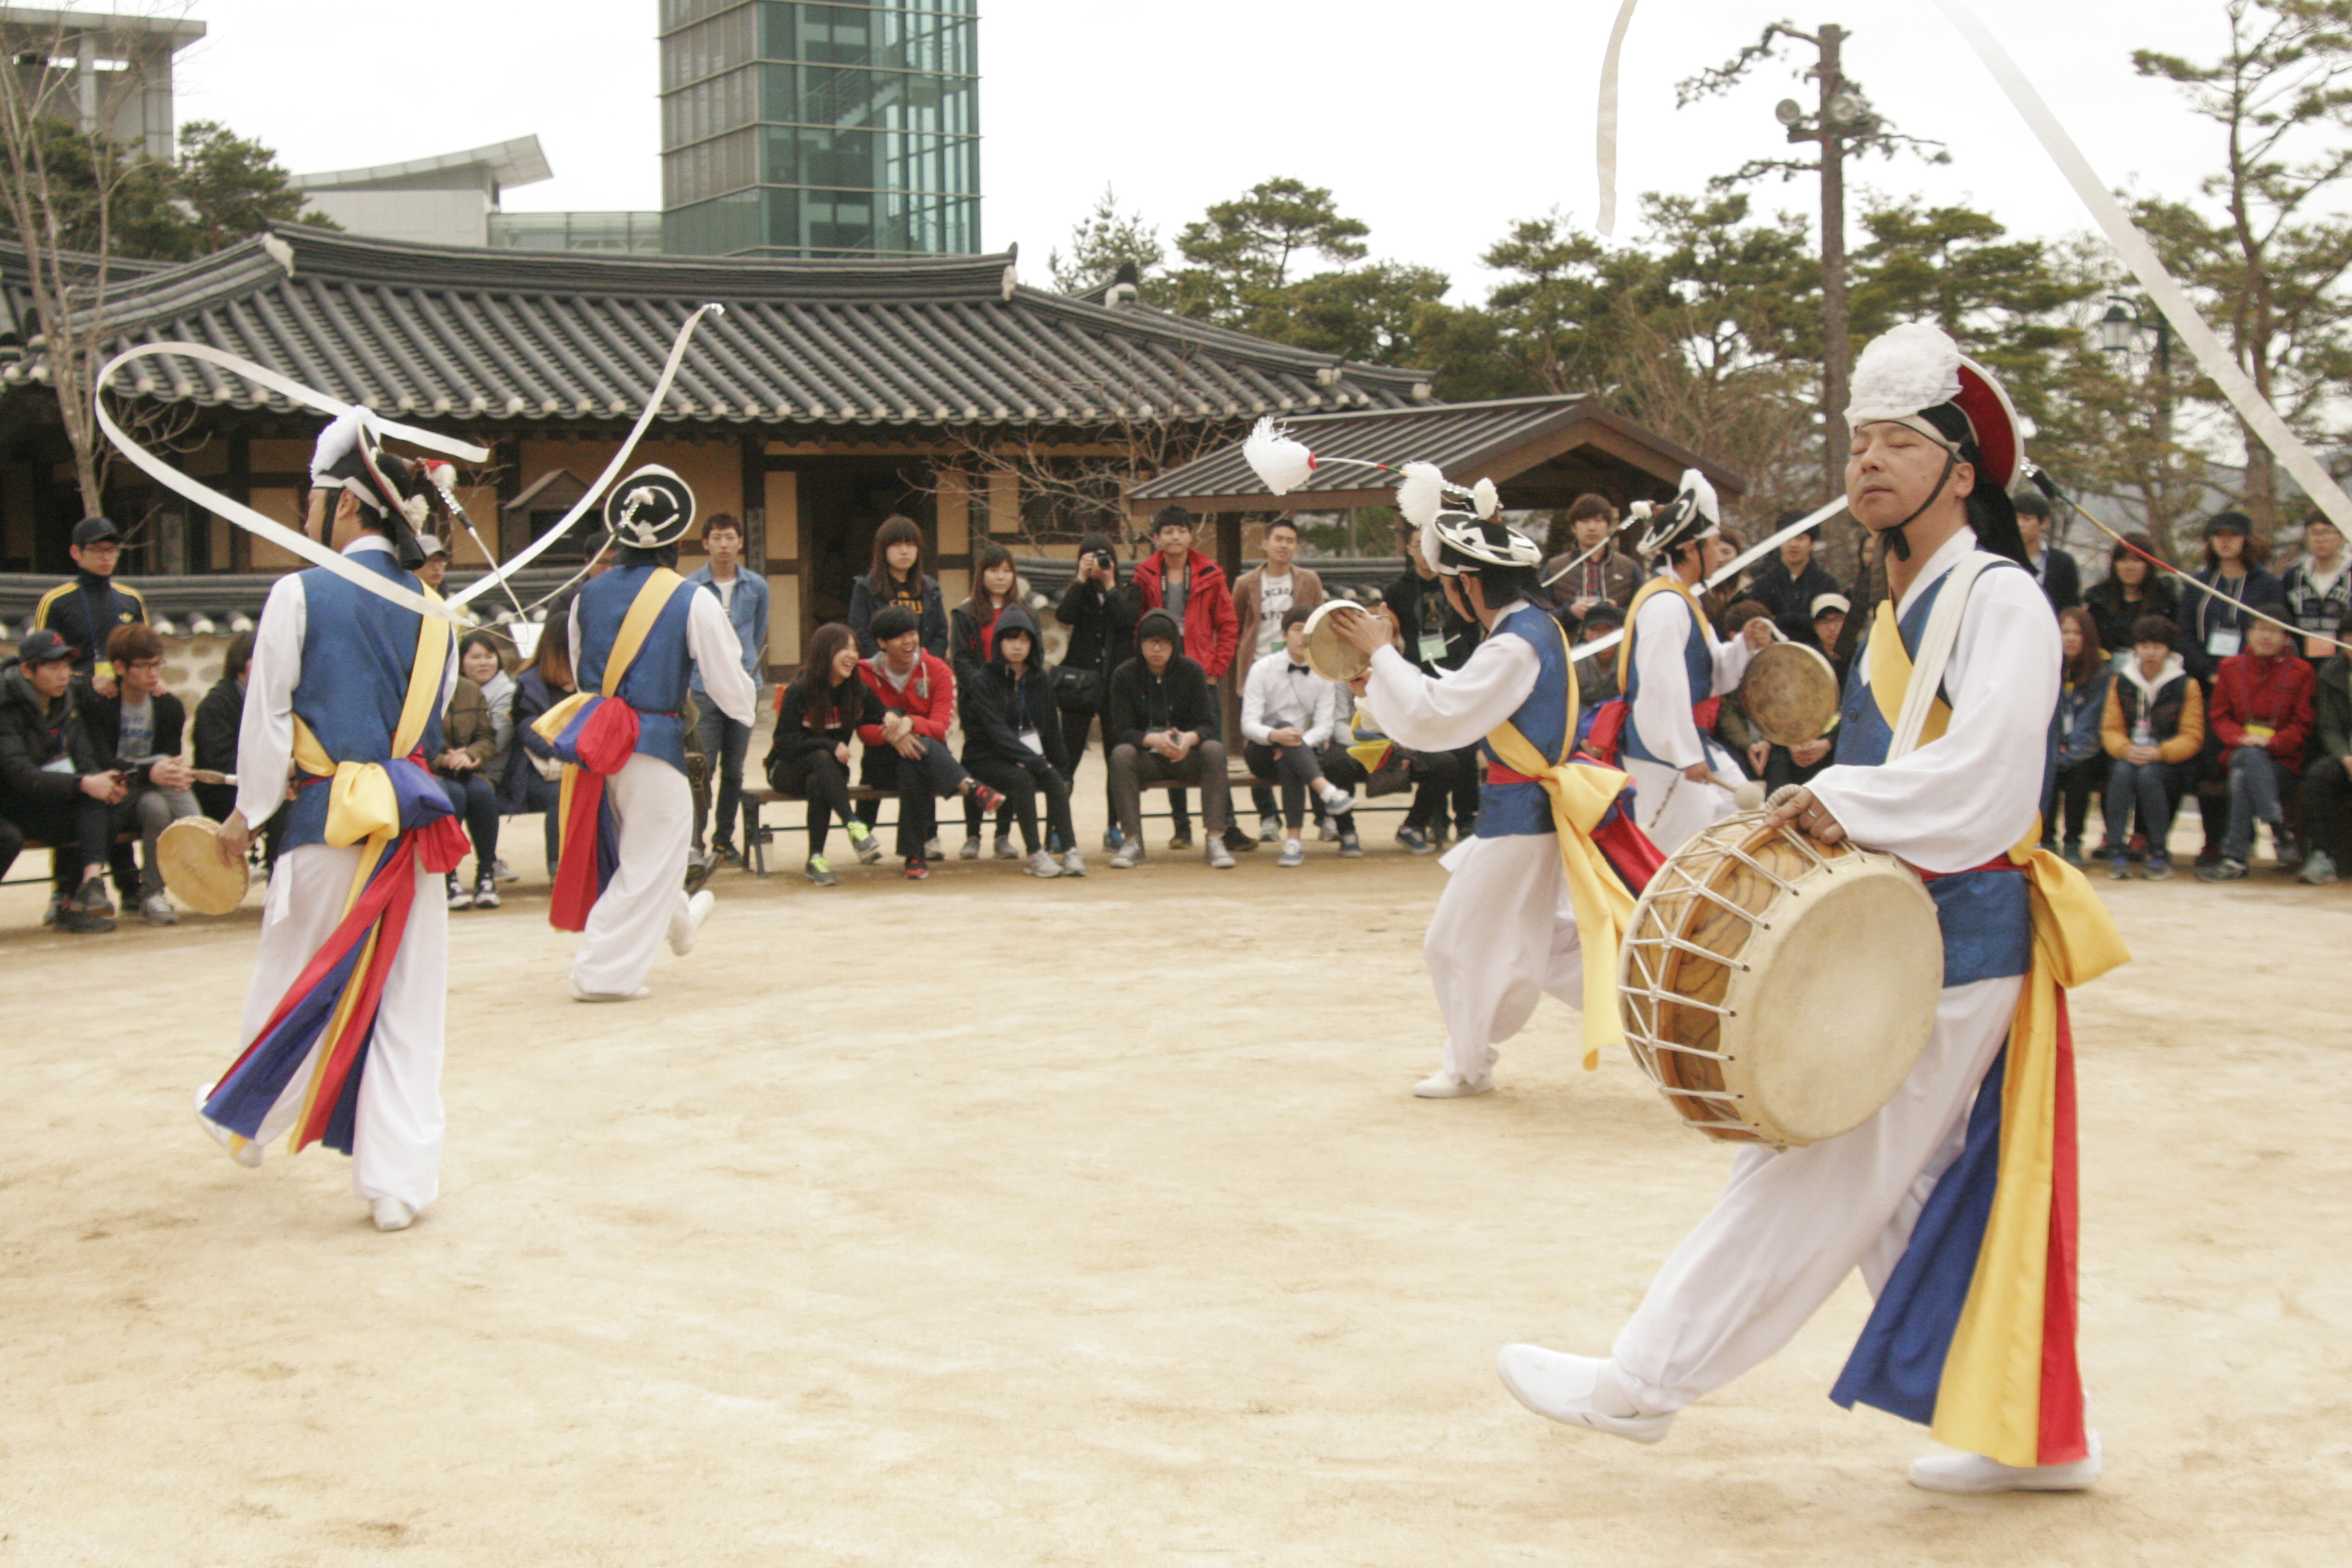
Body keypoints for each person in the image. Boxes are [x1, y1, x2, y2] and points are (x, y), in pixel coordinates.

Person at [1492, 320, 2127, 1497]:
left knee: (1819, 1159)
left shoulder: (2000, 601)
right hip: (1900, 928)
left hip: (1958, 933)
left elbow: (1990, 779)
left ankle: (1639, 1382)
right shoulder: (1901, 606)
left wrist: (1840, 795)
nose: (1867, 463)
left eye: (1898, 443)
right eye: (1857, 445)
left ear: (1960, 469)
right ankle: (2024, 1432)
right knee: (1904, 1190)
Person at [196, 411, 471, 1231]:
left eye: (314, 501)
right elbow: (424, 723)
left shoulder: (298, 592)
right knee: (409, 1002)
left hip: (325, 821)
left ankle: (244, 1114)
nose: (305, 517)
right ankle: (398, 1182)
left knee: (291, 971)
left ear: (348, 506)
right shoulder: (436, 612)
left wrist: (247, 813)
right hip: (411, 831)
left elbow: (267, 719)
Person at [1330, 489, 1651, 1100]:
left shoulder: (1514, 642)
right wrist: (1378, 677)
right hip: (1525, 811)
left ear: (1468, 585)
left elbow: (1440, 714)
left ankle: (1470, 1064)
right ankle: (1660, 1010)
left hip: (1523, 813)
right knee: (1552, 945)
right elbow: (1449, 706)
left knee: (1457, 942)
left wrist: (1381, 654)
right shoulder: (1529, 630)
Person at [550, 466, 755, 999]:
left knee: (644, 850)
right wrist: (747, 710)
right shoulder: (692, 597)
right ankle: (602, 974)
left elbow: (578, 672)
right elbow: (729, 684)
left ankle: (682, 925)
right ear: (682, 541)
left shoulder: (585, 598)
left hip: (597, 742)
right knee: (651, 858)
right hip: (655, 742)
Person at [1617, 471, 1755, 853]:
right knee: (1677, 849)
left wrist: (1745, 644)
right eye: (1712, 544)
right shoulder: (1665, 604)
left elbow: (1709, 674)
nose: (1718, 553)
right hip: (1662, 749)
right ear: (1692, 549)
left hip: (1685, 741)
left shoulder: (1681, 598)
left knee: (1738, 822)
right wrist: (1685, 755)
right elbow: (1662, 685)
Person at [854, 604, 1003, 880]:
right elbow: (863, 729)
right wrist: (897, 737)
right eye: (899, 636)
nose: (909, 641)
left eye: (912, 633)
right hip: (881, 761)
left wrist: (910, 724)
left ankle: (915, 855)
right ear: (882, 643)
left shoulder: (938, 670)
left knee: (914, 763)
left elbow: (940, 727)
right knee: (915, 755)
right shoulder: (864, 674)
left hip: (927, 761)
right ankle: (969, 786)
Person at [0, 628, 123, 932]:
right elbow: (19, 776)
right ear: (28, 670)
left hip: (38, 801)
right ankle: (84, 891)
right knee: (8, 838)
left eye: (66, 666)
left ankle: (80, 897)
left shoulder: (66, 707)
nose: (63, 674)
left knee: (101, 805)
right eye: (53, 666)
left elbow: (85, 763)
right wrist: (83, 783)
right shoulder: (5, 709)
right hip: (8, 803)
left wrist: (106, 783)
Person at [1132, 505, 1240, 850]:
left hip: (1200, 674)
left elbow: (1228, 625)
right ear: (1156, 538)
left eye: (1181, 530)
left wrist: (1216, 668)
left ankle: (1226, 826)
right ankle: (1181, 827)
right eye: (1167, 531)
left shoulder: (1211, 574)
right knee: (1168, 745)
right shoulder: (1144, 575)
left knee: (1212, 749)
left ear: (1191, 535)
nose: (1175, 537)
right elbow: (1137, 625)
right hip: (1160, 673)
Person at [76, 622, 197, 925]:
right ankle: (202, 844)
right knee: (157, 799)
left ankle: (153, 893)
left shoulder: (168, 706)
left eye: (157, 665)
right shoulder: (102, 703)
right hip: (113, 790)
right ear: (119, 667)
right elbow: (101, 760)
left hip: (150, 790)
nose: (153, 674)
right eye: (143, 667)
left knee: (164, 800)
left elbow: (169, 758)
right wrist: (148, 771)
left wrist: (170, 771)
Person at [1104, 607, 1236, 869]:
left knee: (1214, 750)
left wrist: (1189, 739)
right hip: (1147, 758)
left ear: (1175, 644)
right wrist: (1151, 740)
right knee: (1120, 755)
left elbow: (1209, 724)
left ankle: (1214, 838)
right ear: (1139, 644)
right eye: (1149, 641)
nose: (1156, 649)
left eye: (1163, 642)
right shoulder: (1124, 675)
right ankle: (1132, 840)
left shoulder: (1192, 671)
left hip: (1186, 757)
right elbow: (1121, 730)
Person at [959, 604, 1081, 878]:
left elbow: (1051, 728)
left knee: (1054, 777)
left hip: (1024, 757)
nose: (1017, 646)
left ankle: (1071, 850)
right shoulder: (983, 680)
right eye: (1011, 638)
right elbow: (996, 731)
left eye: (1024, 639)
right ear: (999, 642)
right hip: (985, 757)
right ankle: (1035, 853)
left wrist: (1061, 769)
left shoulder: (1041, 680)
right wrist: (1036, 763)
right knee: (1025, 779)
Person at [1381, 520, 1482, 847]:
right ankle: (1434, 821)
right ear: (1409, 550)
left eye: (1431, 546)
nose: (1425, 553)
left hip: (1457, 675)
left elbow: (1471, 629)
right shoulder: (1397, 591)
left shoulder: (1457, 586)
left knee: (1466, 750)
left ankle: (1467, 819)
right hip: (1418, 678)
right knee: (1434, 749)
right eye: (1418, 546)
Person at [2198, 605, 2315, 880]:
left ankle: (2234, 859)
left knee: (2243, 779)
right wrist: (2242, 738)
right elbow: (2220, 716)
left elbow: (2303, 723)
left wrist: (2270, 743)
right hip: (2238, 748)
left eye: (2274, 630)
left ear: (2288, 637)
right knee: (2247, 759)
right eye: (2261, 628)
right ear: (2249, 633)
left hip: (2282, 760)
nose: (2266, 636)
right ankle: (2276, 825)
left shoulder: (2302, 671)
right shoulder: (2230, 667)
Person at [764, 622, 885, 886]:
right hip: (787, 769)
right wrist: (829, 746)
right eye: (844, 648)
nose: (852, 655)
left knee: (819, 781)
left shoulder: (856, 689)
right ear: (824, 653)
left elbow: (883, 713)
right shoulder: (800, 689)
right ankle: (854, 824)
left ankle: (816, 859)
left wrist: (897, 718)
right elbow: (784, 741)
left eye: (855, 648)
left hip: (828, 774)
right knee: (820, 756)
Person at [1241, 604, 1363, 866]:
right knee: (1287, 734)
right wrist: (1276, 735)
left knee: (1291, 757)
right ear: (1284, 634)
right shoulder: (1262, 669)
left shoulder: (1323, 673)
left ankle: (1294, 841)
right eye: (1297, 630)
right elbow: (1248, 724)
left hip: (1299, 751)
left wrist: (1296, 742)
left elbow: (1325, 726)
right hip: (1262, 748)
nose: (1302, 637)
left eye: (1309, 632)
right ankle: (1327, 791)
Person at [1232, 518, 1326, 836]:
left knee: (1300, 738)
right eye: (1278, 539)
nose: (1284, 545)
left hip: (1298, 666)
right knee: (1257, 738)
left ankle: (1321, 815)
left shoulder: (1308, 580)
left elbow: (1321, 621)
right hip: (1260, 668)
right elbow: (1236, 623)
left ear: (1296, 546)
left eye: (1290, 540)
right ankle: (1268, 816)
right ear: (1265, 543)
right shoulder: (1245, 583)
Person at [686, 512, 769, 869]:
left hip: (743, 683)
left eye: (730, 537)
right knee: (702, 768)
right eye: (716, 537)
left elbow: (758, 630)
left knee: (735, 769)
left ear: (740, 543)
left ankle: (725, 840)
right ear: (705, 543)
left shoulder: (756, 586)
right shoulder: (691, 587)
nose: (724, 544)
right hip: (703, 686)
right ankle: (694, 842)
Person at [1053, 530, 1142, 850]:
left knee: (1116, 758)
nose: (1098, 564)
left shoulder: (1128, 591)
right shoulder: (1078, 593)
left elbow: (1128, 618)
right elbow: (1064, 616)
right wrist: (1080, 579)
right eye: (1090, 558)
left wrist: (1109, 584)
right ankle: (1057, 828)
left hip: (1118, 684)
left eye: (1104, 557)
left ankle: (1114, 826)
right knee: (1067, 756)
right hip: (1081, 684)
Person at [2102, 616, 2204, 881]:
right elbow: (2110, 729)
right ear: (2136, 648)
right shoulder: (2121, 681)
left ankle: (2159, 852)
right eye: (2145, 646)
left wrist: (2162, 752)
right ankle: (2116, 848)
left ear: (2168, 649)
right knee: (2122, 771)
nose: (2151, 653)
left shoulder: (2186, 685)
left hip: (2169, 760)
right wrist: (2125, 749)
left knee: (2149, 776)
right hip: (2131, 753)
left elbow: (2192, 736)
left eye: (2157, 647)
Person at [950, 542, 1024, 859]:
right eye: (994, 570)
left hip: (1014, 701)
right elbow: (962, 660)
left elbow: (1033, 656)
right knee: (976, 763)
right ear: (981, 574)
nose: (1000, 577)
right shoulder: (965, 613)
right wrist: (984, 690)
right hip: (977, 703)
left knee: (1010, 762)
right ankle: (973, 834)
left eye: (1007, 571)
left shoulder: (1023, 613)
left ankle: (1004, 834)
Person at [434, 632, 509, 910]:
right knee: (451, 796)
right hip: (435, 772)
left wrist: (471, 754)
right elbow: (413, 740)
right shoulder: (417, 691)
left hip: (470, 770)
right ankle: (448, 876)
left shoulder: (469, 690)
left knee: (482, 794)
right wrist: (443, 760)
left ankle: (486, 875)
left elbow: (486, 736)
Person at [32, 515, 146, 681]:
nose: (106, 557)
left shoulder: (131, 599)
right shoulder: (55, 601)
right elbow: (41, 659)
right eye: (98, 549)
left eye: (112, 550)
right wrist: (87, 685)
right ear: (76, 552)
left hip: (124, 691)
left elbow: (146, 653)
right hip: (74, 694)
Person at [506, 611, 576, 882]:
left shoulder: (589, 678)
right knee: (562, 795)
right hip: (538, 772)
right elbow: (530, 731)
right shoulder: (531, 683)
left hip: (581, 762)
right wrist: (566, 751)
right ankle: (558, 866)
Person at [2043, 608, 2112, 867]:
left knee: (2080, 774)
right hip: (2052, 744)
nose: (2071, 638)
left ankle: (2073, 842)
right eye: (2065, 632)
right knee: (2044, 767)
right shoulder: (2045, 667)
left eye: (2077, 633)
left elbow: (2092, 721)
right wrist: (2054, 746)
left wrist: (2071, 753)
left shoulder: (2102, 672)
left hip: (2085, 749)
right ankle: (2046, 839)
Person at [848, 513, 949, 658]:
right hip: (879, 670)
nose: (904, 551)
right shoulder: (866, 588)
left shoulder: (930, 589)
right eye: (897, 545)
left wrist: (928, 664)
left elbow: (940, 634)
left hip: (923, 670)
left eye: (910, 545)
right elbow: (861, 634)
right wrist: (886, 665)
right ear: (883, 550)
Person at [2298, 615, 2351, 884]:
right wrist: (2345, 757)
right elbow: (2329, 726)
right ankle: (2322, 855)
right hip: (2346, 753)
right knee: (2319, 775)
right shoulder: (2330, 673)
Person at [2081, 532, 2177, 662]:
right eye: (2123, 560)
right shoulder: (2098, 600)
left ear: (2149, 565)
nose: (2129, 567)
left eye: (2136, 561)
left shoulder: (2166, 602)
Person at [1542, 493, 1639, 622]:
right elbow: (1540, 616)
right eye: (1585, 522)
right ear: (1573, 527)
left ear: (1608, 526)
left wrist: (1614, 613)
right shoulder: (1555, 567)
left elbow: (1644, 613)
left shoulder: (1628, 567)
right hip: (1570, 641)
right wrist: (1569, 612)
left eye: (1598, 521)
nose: (1592, 528)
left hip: (1617, 640)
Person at [1742, 512, 1841, 622]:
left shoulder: (1826, 583)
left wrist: (1780, 619)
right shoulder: (1763, 583)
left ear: (1812, 543)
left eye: (1800, 538)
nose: (1793, 544)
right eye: (1788, 538)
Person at [2280, 511, 2351, 661]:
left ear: (2341, 536)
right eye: (2314, 533)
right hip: (2302, 662)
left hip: (2344, 665)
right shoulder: (2293, 577)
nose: (2320, 539)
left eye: (2326, 533)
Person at [2013, 489, 2080, 611]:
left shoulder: (2063, 564)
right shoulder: (1998, 556)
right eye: (2015, 518)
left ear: (2044, 523)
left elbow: (2069, 609)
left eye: (2026, 519)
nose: (2019, 524)